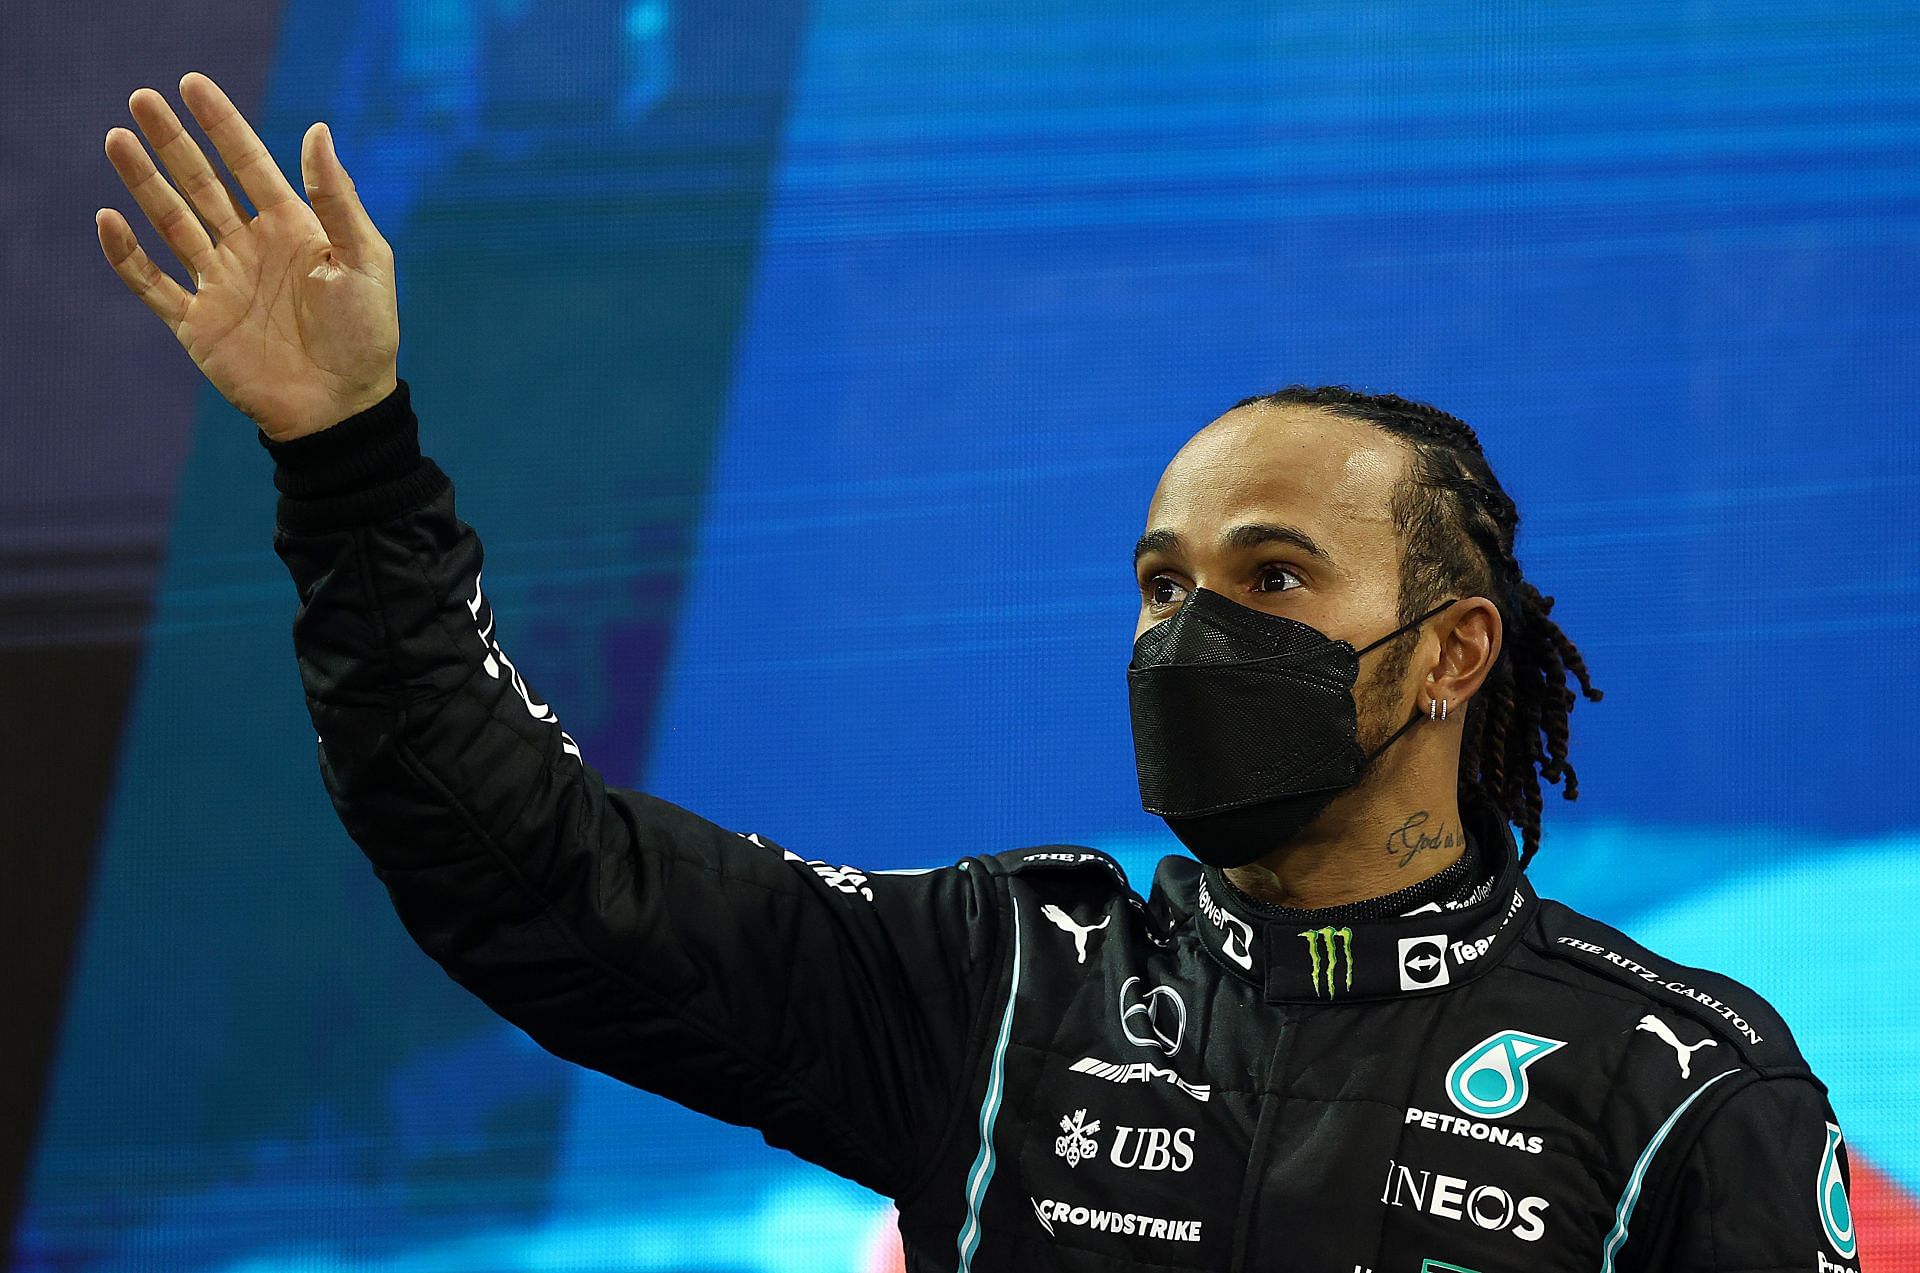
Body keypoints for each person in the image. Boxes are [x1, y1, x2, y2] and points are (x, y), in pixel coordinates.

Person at [97, 72, 1863, 1273]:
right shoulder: (1001, 981)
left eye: (1271, 577)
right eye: (1161, 582)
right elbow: (517, 856)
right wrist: (346, 456)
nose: (1190, 635)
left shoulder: (1681, 1086)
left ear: (1450, 654)